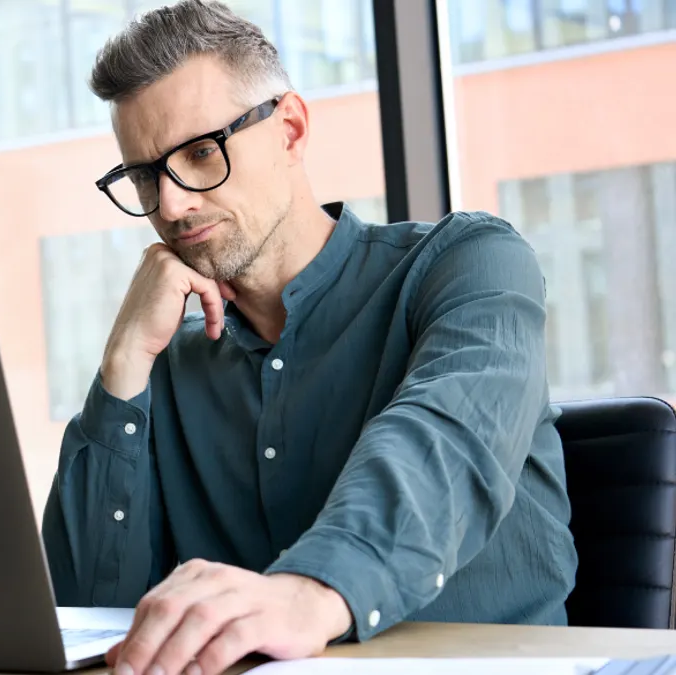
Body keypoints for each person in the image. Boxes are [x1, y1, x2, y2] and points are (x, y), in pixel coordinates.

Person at [39, 2, 578, 674]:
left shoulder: (468, 264)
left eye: (202, 153)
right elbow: (88, 613)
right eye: (147, 176)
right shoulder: (165, 367)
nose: (171, 206)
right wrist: (120, 369)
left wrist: (304, 594)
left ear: (290, 129)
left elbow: (437, 443)